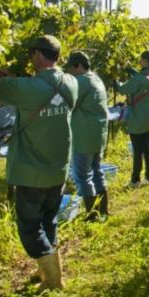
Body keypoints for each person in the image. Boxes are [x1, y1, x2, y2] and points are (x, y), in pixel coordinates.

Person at [0, 35, 78, 290]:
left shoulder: (25, 88)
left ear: (39, 56)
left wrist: (2, 73)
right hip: (59, 168)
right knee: (48, 221)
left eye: (32, 55)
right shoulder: (71, 83)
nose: (31, 60)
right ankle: (47, 271)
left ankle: (54, 278)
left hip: (32, 171)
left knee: (30, 228)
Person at [64, 51, 110, 220]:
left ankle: (92, 215)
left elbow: (66, 100)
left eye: (71, 68)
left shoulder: (81, 81)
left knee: (82, 176)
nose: (69, 72)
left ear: (79, 66)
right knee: (97, 172)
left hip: (84, 136)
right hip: (98, 134)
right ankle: (103, 210)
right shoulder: (96, 79)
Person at [115, 50, 149, 187]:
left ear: (145, 60)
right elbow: (140, 78)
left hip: (137, 119)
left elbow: (122, 89)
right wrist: (130, 69)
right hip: (148, 118)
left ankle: (135, 180)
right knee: (146, 148)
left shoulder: (139, 79)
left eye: (141, 59)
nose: (139, 61)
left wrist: (114, 79)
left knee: (137, 151)